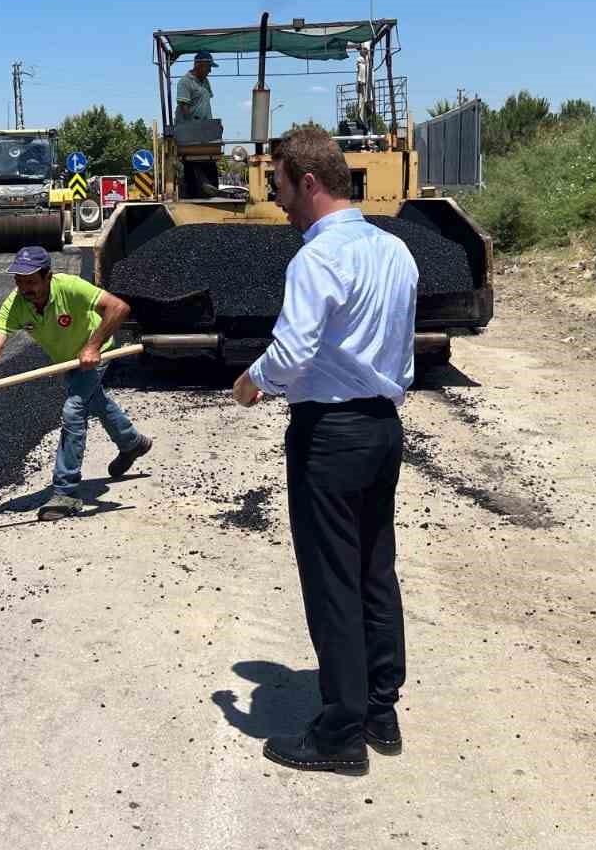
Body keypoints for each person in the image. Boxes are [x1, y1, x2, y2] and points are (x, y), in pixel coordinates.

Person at [232, 127, 418, 776]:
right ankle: (379, 710)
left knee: (333, 580)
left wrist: (252, 380)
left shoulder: (314, 261)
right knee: (373, 569)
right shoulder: (398, 252)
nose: (276, 199)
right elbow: (404, 350)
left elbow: (293, 351)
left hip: (329, 438)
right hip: (383, 429)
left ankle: (340, 731)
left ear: (308, 183)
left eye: (278, 184)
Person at [0, 246, 152, 520]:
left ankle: (65, 492)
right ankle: (132, 443)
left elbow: (119, 308)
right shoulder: (16, 304)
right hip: (68, 359)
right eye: (20, 282)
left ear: (48, 276)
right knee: (95, 401)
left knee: (74, 410)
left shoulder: (69, 287)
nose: (26, 289)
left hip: (97, 352)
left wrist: (93, 347)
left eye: (32, 282)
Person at [175, 50, 216, 122]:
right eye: (208, 66)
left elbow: (206, 105)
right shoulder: (185, 81)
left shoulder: (206, 81)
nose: (210, 70)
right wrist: (193, 128)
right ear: (198, 64)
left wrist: (211, 124)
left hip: (202, 126)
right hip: (187, 128)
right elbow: (184, 108)